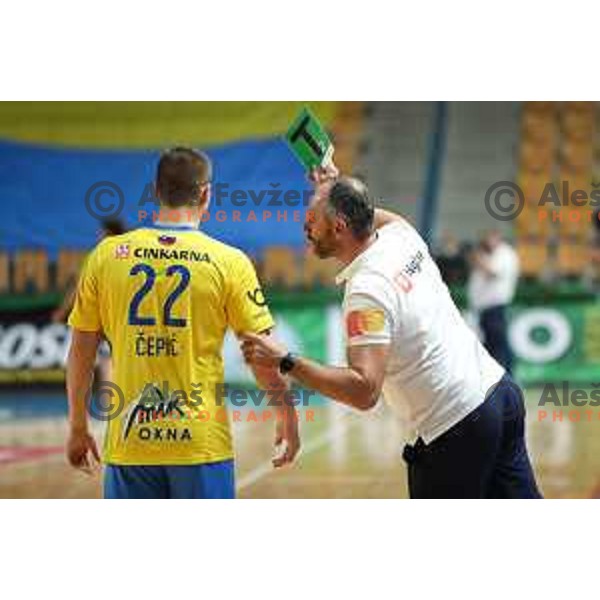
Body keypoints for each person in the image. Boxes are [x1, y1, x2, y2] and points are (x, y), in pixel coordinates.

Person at [241, 164, 541, 499]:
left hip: (457, 425)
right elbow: (367, 214)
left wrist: (287, 361)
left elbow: (364, 391)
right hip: (500, 395)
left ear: (339, 226)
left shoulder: (367, 290)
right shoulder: (403, 235)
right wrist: (335, 188)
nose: (305, 226)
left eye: (312, 219)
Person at [66, 147, 299, 499]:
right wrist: (287, 414)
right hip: (200, 443)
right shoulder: (229, 262)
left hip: (130, 442)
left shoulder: (106, 256)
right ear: (206, 193)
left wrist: (78, 427)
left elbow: (81, 351)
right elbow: (261, 354)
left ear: (156, 191)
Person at [54, 218, 128, 382]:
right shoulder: (134, 254)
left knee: (107, 361)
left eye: (101, 234)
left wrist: (62, 311)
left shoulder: (101, 254)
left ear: (109, 233)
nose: (98, 237)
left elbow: (79, 288)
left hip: (106, 318)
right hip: (127, 320)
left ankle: (111, 405)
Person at [467, 230, 520, 374]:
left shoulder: (505, 254)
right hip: (484, 307)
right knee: (490, 344)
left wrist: (478, 259)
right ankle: (495, 376)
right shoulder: (491, 254)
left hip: (495, 306)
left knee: (499, 343)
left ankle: (507, 375)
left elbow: (493, 272)